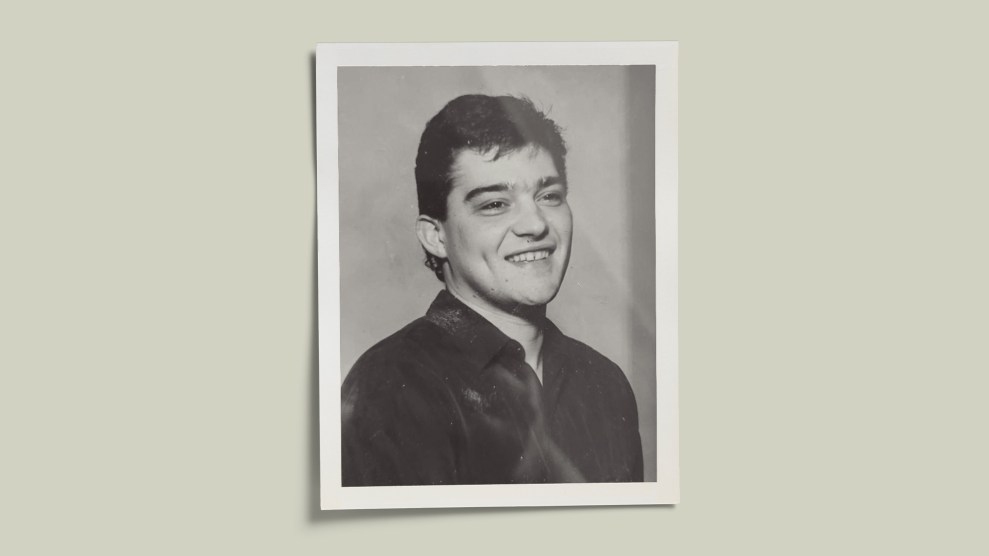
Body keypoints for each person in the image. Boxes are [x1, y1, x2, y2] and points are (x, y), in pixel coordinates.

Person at [341, 94, 643, 486]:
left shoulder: (605, 383)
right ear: (435, 236)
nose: (535, 224)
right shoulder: (391, 389)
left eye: (549, 196)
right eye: (496, 204)